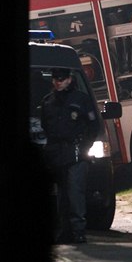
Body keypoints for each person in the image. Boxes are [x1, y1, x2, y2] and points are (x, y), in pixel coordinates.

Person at [41, 68, 100, 244]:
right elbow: (46, 126)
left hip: (76, 152)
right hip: (57, 153)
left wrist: (85, 147)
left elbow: (93, 126)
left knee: (75, 193)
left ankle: (78, 231)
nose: (58, 82)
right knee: (62, 196)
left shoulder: (80, 99)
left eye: (62, 79)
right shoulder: (48, 102)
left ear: (69, 79)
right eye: (56, 79)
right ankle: (65, 232)